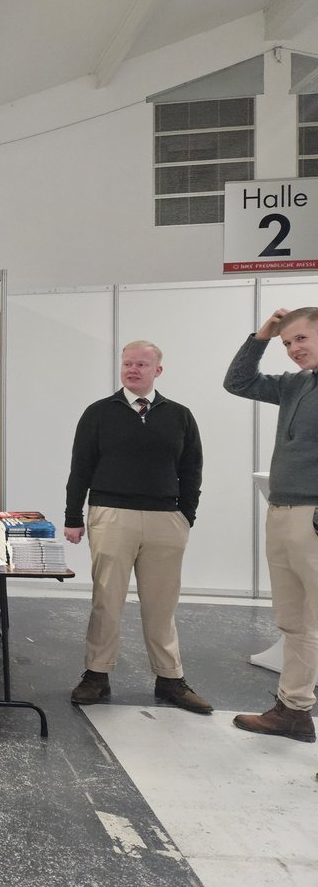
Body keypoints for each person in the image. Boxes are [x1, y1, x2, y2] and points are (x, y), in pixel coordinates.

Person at [63, 340, 210, 714]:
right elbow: (80, 467)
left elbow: (191, 468)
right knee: (107, 599)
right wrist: (72, 517)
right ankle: (96, 674)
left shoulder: (179, 415)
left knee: (162, 604)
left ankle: (170, 678)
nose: (133, 369)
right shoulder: (98, 413)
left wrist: (185, 515)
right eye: (127, 363)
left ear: (157, 370)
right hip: (111, 515)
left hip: (166, 520)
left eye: (141, 364)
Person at [224, 307, 318, 744]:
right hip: (282, 512)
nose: (294, 349)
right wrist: (262, 335)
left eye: (301, 339)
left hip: (312, 517)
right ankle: (294, 710)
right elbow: (237, 381)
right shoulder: (295, 384)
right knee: (294, 622)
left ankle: (296, 706)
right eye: (288, 343)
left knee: (314, 622)